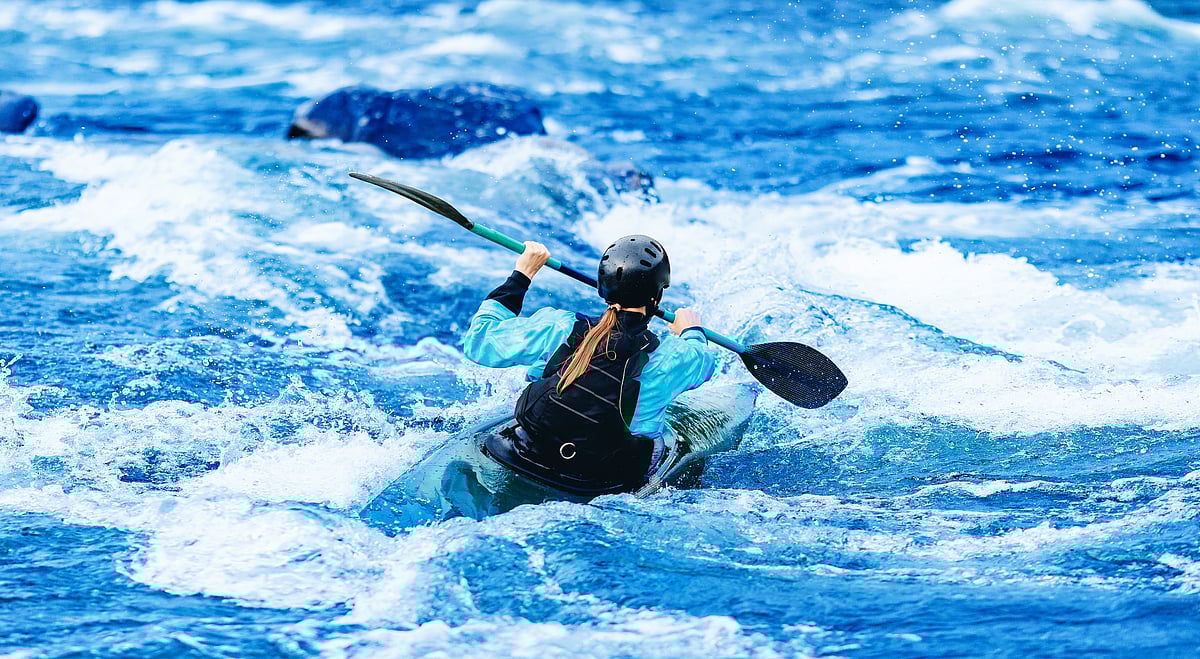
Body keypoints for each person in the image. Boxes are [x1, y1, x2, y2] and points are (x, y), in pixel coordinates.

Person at [463, 235, 718, 493]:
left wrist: (523, 273)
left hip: (528, 453)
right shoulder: (671, 356)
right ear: (657, 297)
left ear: (601, 288)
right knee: (653, 437)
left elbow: (479, 339)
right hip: (599, 478)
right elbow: (706, 364)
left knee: (541, 372)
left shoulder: (559, 326)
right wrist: (691, 330)